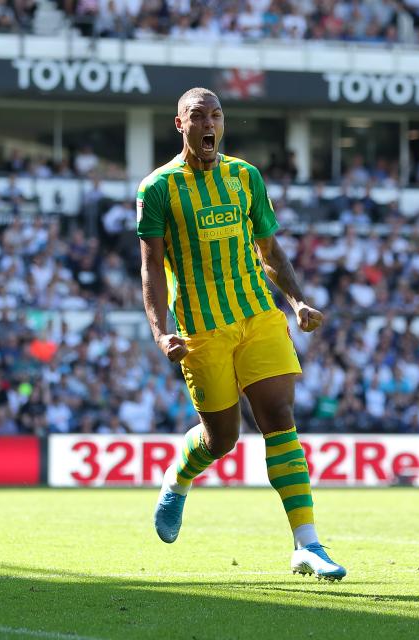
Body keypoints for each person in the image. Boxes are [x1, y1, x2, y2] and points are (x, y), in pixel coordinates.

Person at [138, 87, 346, 580]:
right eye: (198, 116)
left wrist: (296, 301)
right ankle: (179, 477)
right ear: (179, 124)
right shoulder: (158, 188)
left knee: (279, 415)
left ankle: (307, 544)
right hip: (201, 328)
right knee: (222, 438)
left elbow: (269, 250)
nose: (209, 123)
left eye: (216, 115)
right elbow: (149, 269)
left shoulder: (244, 177)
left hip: (257, 315)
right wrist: (158, 332)